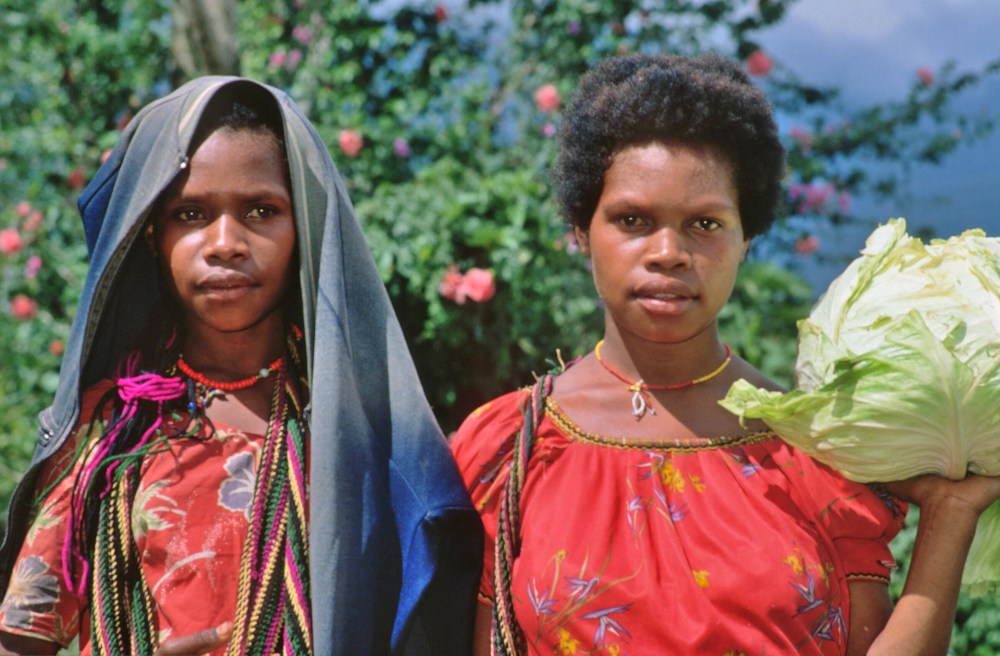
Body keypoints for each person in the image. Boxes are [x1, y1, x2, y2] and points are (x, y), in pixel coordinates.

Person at [450, 53, 1000, 656]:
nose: (668, 252)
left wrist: (950, 514)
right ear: (582, 230)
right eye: (632, 219)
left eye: (704, 224)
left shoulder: (819, 454)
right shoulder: (506, 452)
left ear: (748, 238)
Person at [0, 77, 481, 655]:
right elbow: (19, 642)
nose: (225, 241)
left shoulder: (360, 434)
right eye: (191, 213)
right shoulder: (108, 438)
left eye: (260, 210)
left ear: (302, 229)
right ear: (152, 234)